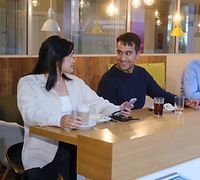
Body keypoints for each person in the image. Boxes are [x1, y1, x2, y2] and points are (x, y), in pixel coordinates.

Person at [17, 36, 132, 180]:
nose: (74, 60)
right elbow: (30, 114)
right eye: (71, 56)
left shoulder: (75, 83)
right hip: (43, 151)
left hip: (77, 146)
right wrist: (60, 120)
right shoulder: (28, 83)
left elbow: (97, 103)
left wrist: (117, 110)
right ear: (56, 57)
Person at [97, 32, 200, 109]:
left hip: (136, 127)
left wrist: (185, 102)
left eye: (128, 53)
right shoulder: (108, 80)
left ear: (138, 54)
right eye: (120, 52)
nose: (122, 58)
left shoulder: (141, 73)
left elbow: (161, 95)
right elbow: (107, 112)